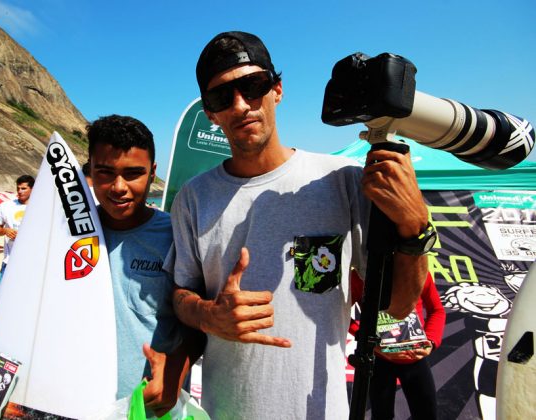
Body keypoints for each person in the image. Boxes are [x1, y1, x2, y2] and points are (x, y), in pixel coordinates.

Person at [165, 31, 432, 419]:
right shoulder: (193, 198)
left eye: (252, 85)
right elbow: (180, 294)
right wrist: (208, 315)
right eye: (222, 97)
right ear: (210, 112)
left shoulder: (341, 179)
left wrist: (414, 227)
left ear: (277, 88)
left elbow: (397, 303)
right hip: (224, 411)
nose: (240, 105)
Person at [0, 115, 204, 418]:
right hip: (55, 404)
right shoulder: (60, 233)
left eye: (133, 174)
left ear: (153, 173)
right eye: (105, 173)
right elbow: (12, 307)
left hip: (141, 407)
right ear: (89, 170)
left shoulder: (177, 236)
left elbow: (196, 325)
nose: (118, 187)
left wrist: (176, 371)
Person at [350, 271, 445, 420]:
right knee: (381, 416)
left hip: (414, 359)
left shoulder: (418, 272)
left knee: (427, 415)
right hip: (380, 360)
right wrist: (368, 342)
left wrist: (431, 342)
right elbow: (340, 315)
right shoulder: (362, 275)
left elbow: (437, 310)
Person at [0, 175, 34, 283]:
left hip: (33, 261)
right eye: (18, 188)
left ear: (32, 189)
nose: (20, 191)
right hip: (10, 260)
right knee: (3, 296)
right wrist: (6, 231)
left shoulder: (41, 208)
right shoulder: (5, 206)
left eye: (24, 188)